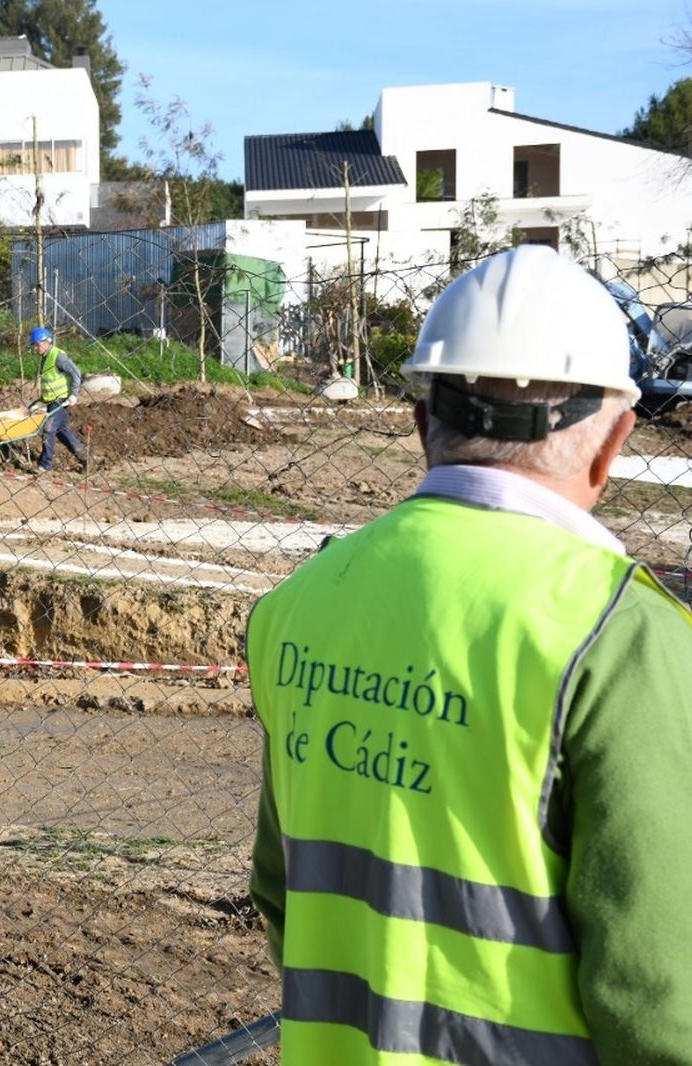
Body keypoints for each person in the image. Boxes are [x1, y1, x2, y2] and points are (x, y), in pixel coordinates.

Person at [246, 245, 692, 1064]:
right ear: (613, 441)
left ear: (423, 423)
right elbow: (660, 1002)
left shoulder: (296, 608)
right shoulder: (624, 640)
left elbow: (281, 893)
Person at [29, 325, 89, 472]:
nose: (36, 348)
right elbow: (51, 381)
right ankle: (87, 457)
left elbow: (76, 373)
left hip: (61, 400)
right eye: (34, 346)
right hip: (51, 401)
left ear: (47, 341)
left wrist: (74, 394)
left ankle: (45, 464)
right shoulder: (45, 357)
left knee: (48, 429)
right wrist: (41, 401)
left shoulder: (58, 356)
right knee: (61, 431)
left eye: (38, 345)